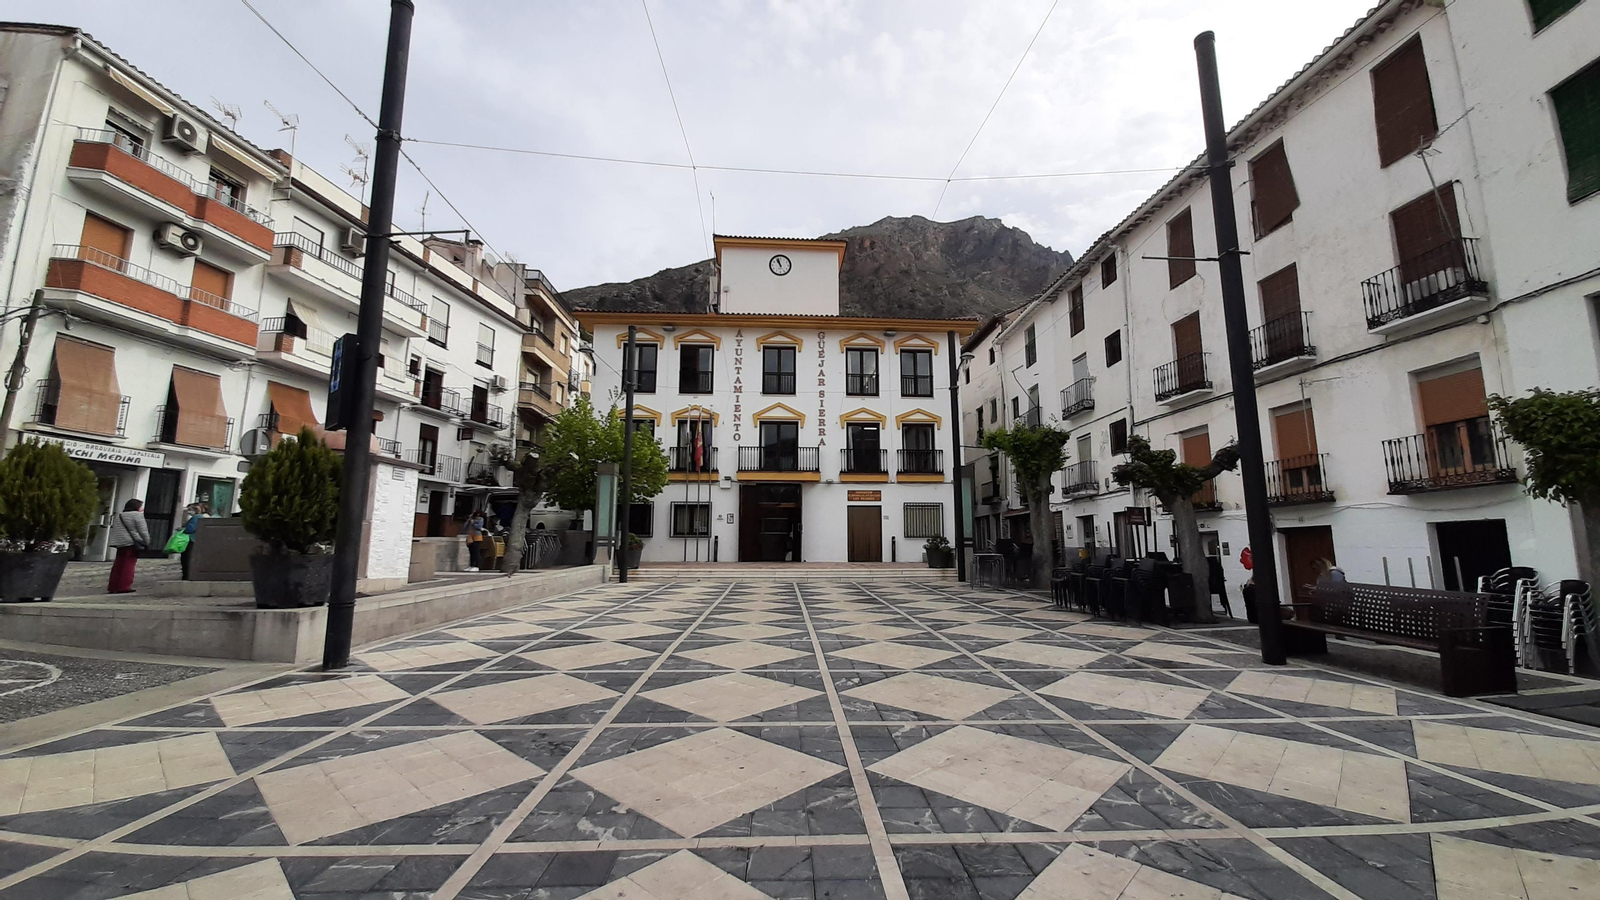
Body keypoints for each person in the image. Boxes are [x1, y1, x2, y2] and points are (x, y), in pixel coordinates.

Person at [107, 499, 150, 594]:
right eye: (141, 506)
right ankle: (124, 586)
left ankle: (113, 586)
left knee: (118, 565)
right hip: (131, 543)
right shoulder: (137, 515)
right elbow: (143, 531)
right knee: (128, 565)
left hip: (120, 543)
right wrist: (147, 542)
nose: (142, 509)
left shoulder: (120, 515)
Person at [178, 501, 209, 580]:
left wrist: (183, 529)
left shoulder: (196, 517)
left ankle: (186, 576)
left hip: (191, 540)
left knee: (186, 559)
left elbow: (190, 529)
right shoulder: (203, 517)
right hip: (197, 540)